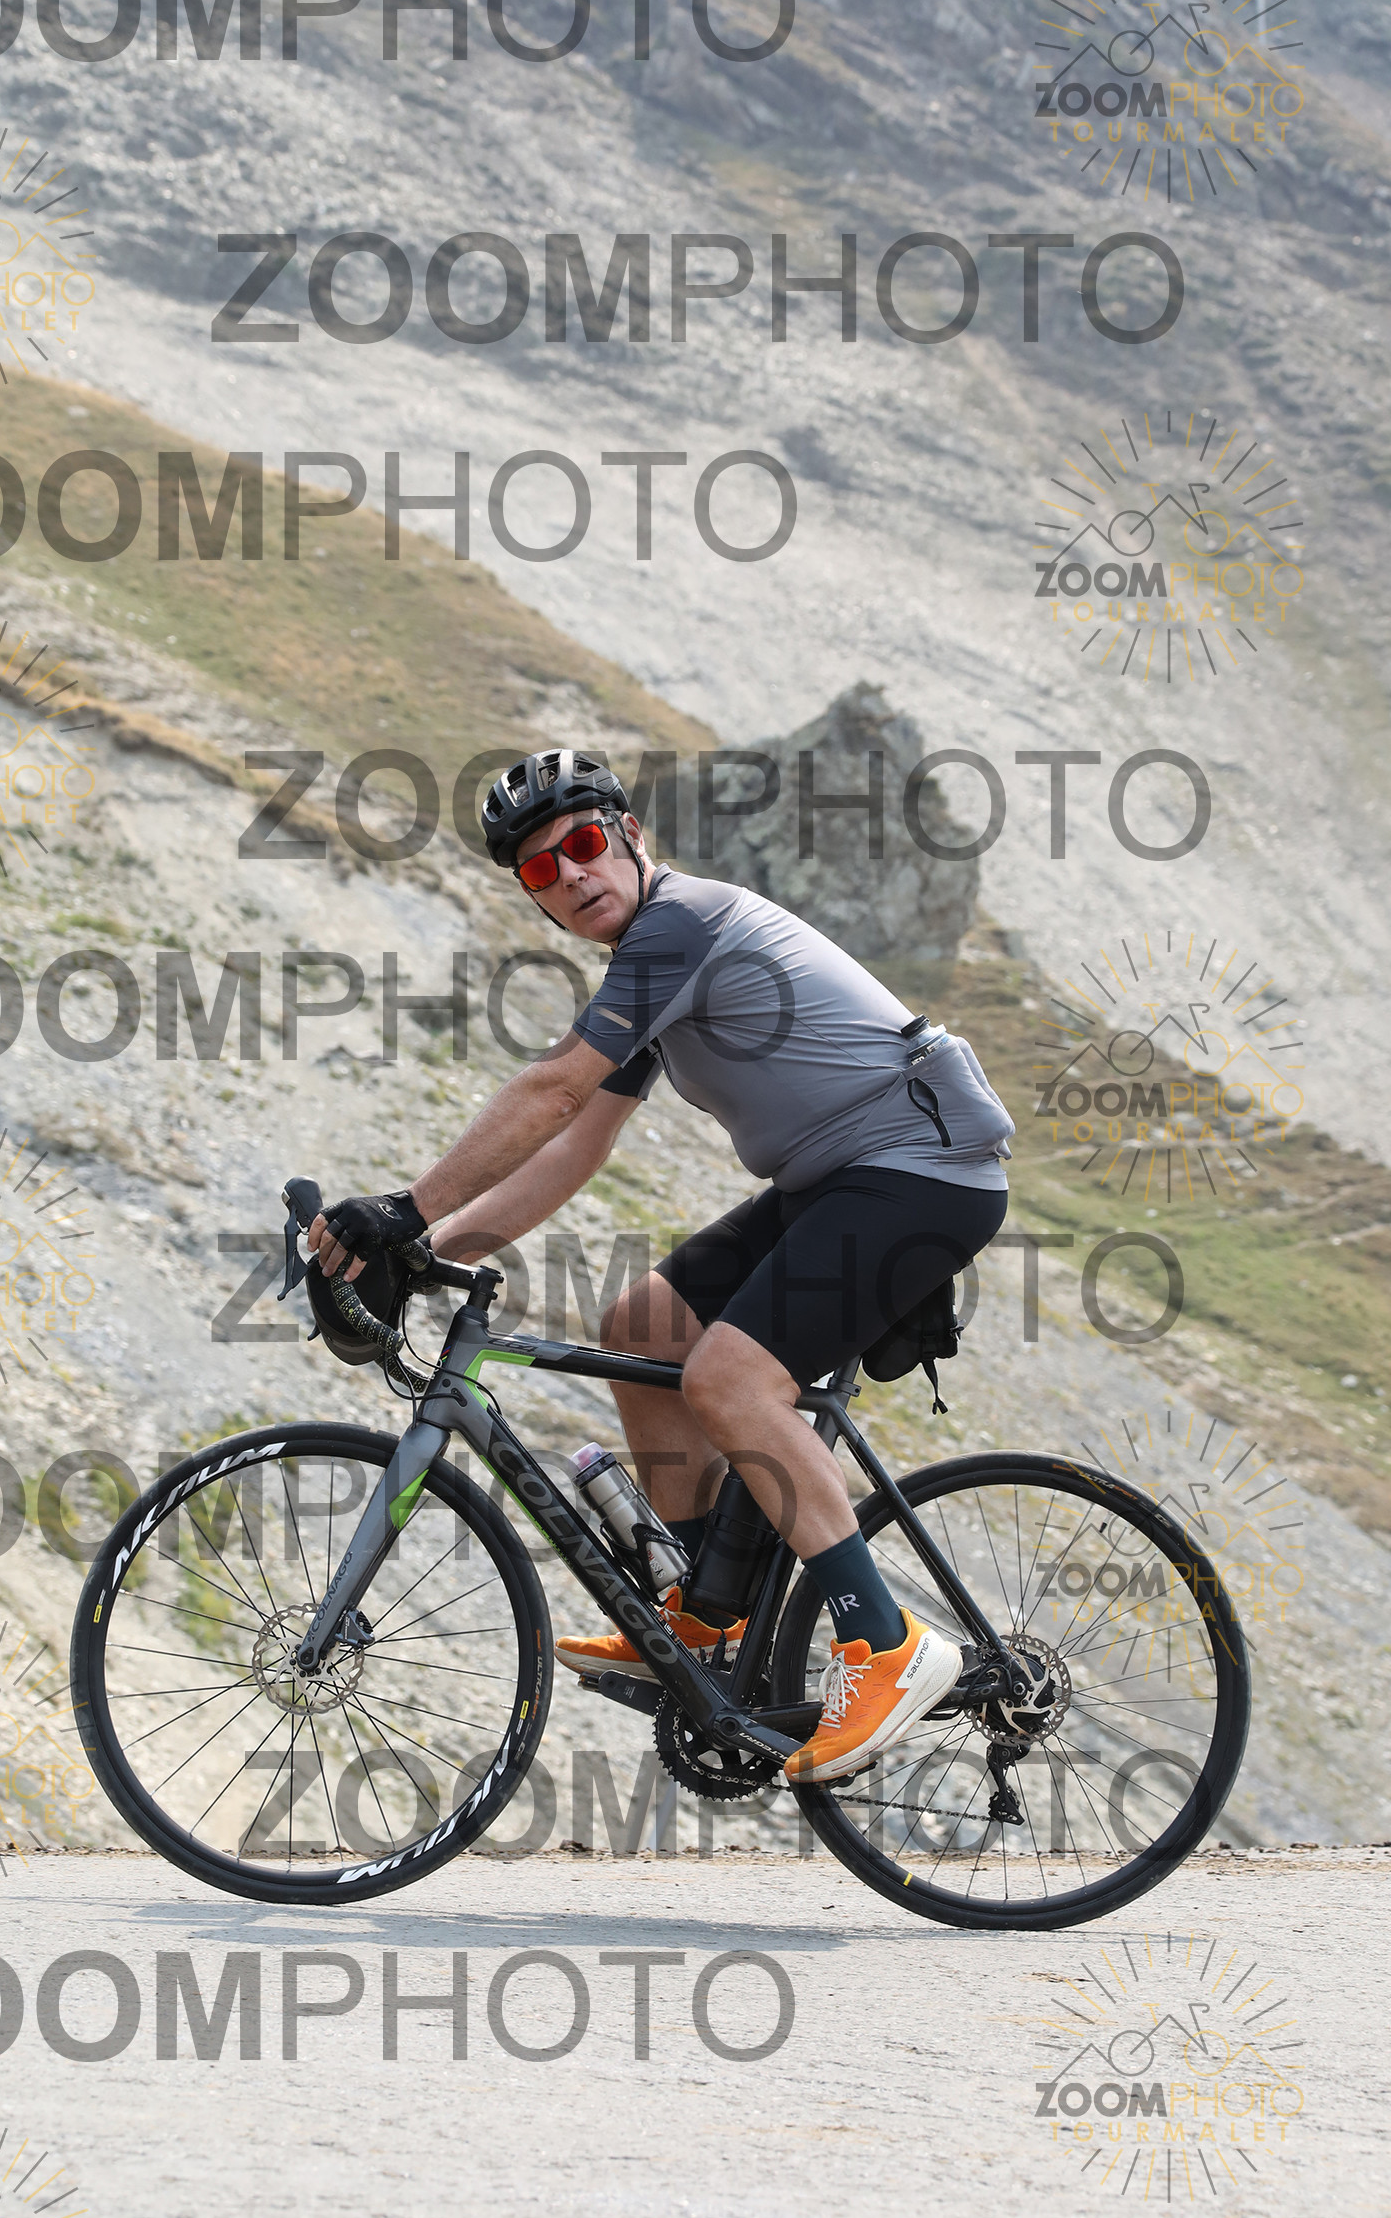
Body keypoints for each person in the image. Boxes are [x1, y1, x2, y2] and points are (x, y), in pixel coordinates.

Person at [308, 749, 1015, 1782]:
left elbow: (552, 1092)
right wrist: (424, 1253)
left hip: (921, 1170)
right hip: (838, 1178)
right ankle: (706, 1619)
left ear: (630, 836)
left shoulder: (680, 926)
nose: (571, 874)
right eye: (541, 870)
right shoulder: (649, 964)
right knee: (643, 1325)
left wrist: (403, 1209)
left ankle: (886, 1644)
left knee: (730, 1379)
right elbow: (573, 1149)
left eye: (585, 844)